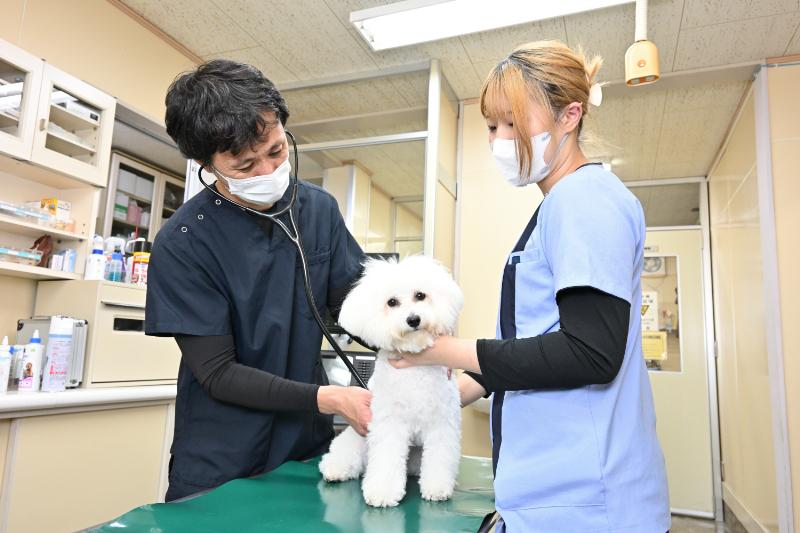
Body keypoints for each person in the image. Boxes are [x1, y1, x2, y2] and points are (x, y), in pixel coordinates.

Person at [390, 41, 670, 532]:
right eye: (492, 126)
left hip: (588, 503)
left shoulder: (583, 200)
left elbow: (590, 353)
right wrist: (438, 398)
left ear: (570, 116)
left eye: (513, 123)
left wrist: (444, 350)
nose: (499, 139)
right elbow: (537, 346)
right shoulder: (562, 205)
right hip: (563, 495)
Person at [145, 59, 371, 502]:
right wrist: (331, 399)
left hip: (305, 449)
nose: (267, 173)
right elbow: (218, 373)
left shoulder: (318, 210)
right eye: (245, 166)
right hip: (222, 461)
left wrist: (417, 341)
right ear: (204, 163)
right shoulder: (184, 243)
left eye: (275, 151)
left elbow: (359, 304)